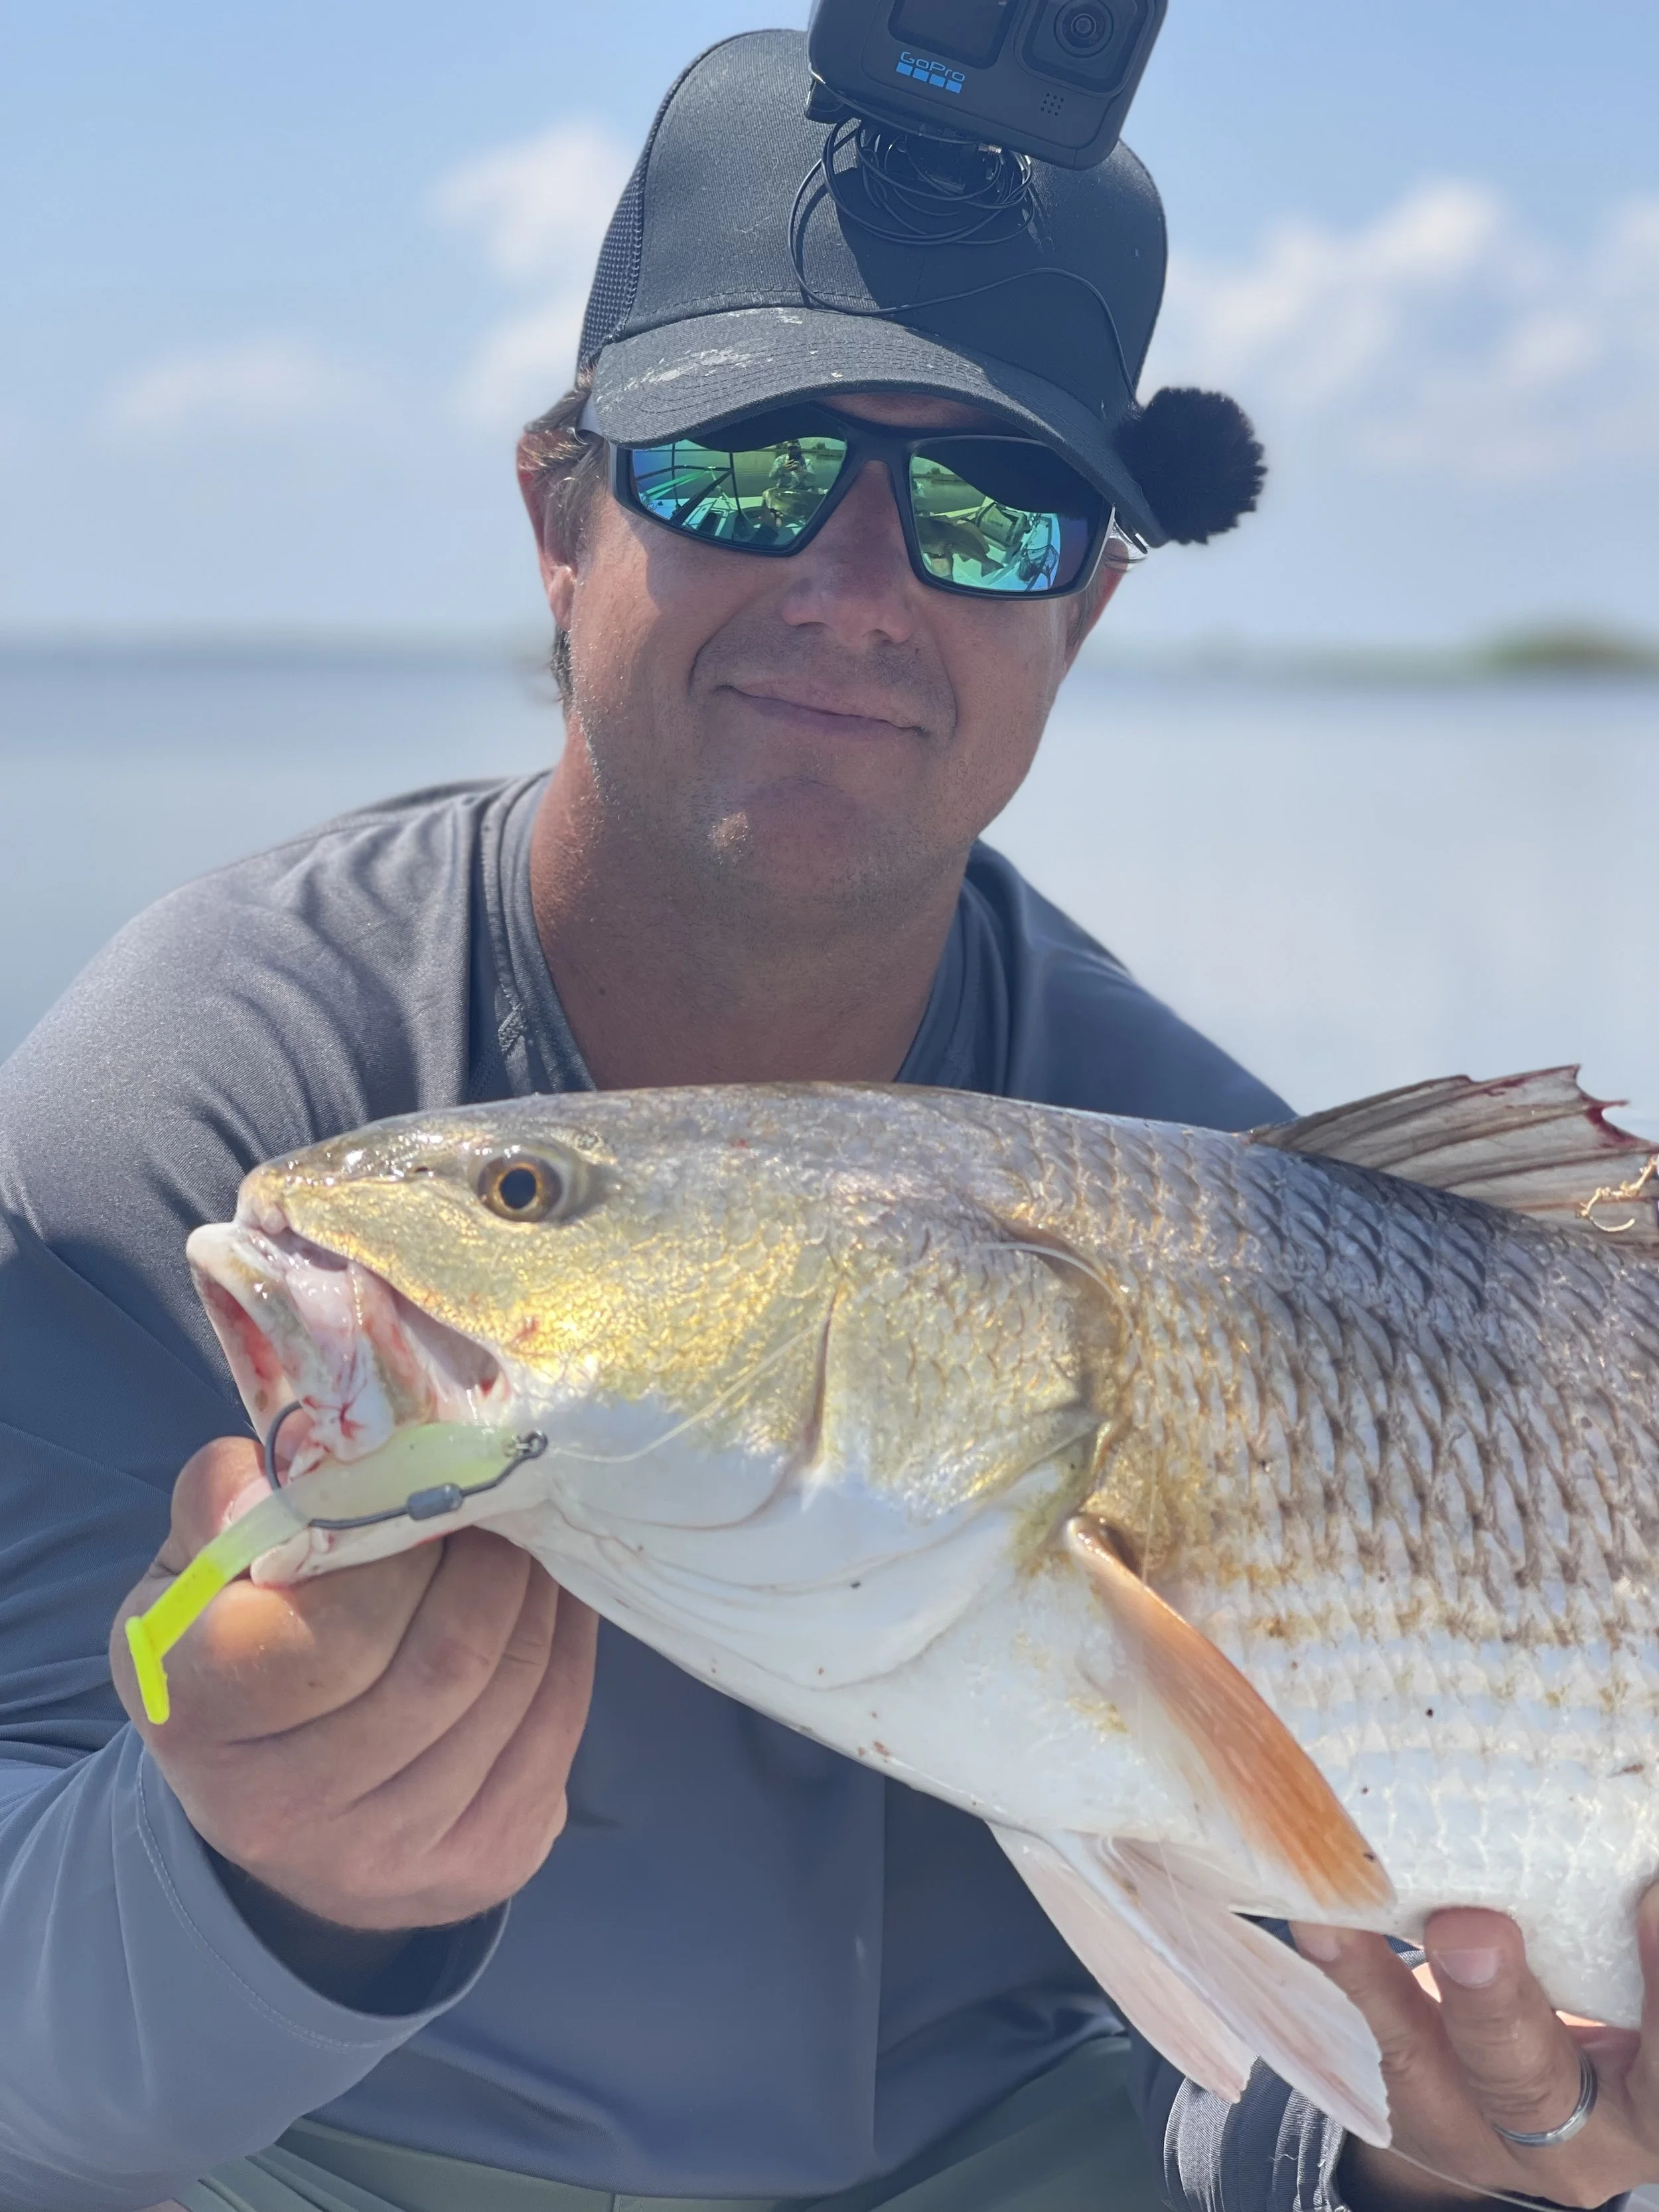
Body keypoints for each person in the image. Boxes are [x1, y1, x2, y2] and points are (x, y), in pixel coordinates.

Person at [1, 27, 1654, 2212]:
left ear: (1086, 598)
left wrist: (1457, 2159)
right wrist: (241, 1881)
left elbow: (1236, 2081)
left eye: (992, 509)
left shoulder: (1221, 1179)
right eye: (741, 463)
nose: (855, 589)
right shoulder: (214, 1099)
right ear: (556, 515)